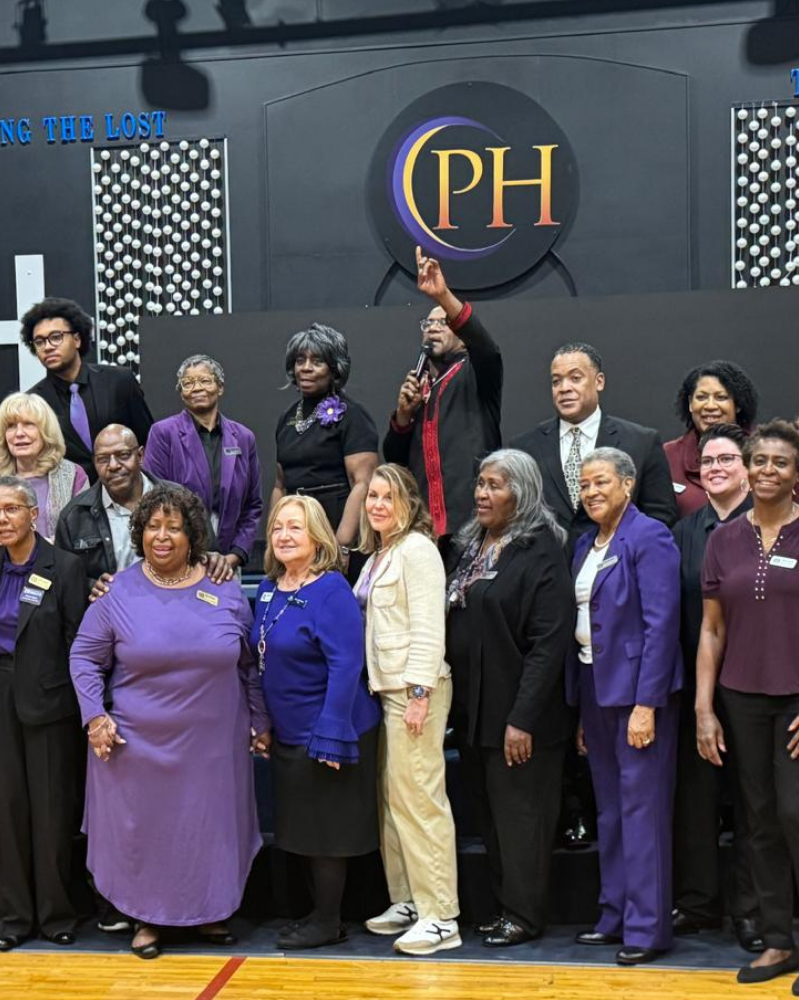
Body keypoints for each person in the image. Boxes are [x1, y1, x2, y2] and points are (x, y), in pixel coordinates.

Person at [69, 484, 270, 959]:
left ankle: (209, 911)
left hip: (213, 744)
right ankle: (147, 917)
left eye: (174, 527)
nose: (162, 536)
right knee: (149, 832)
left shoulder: (224, 587)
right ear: (140, 533)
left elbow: (249, 664)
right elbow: (84, 657)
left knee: (208, 829)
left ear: (192, 535)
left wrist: (260, 719)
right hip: (138, 745)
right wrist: (95, 717)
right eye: (153, 526)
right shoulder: (117, 591)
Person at [512, 342, 676, 850]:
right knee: (566, 714)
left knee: (632, 783)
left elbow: (661, 515)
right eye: (556, 379)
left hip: (622, 610)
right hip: (552, 605)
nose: (564, 387)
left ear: (598, 382)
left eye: (575, 377)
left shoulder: (641, 441)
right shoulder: (526, 447)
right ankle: (571, 811)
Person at [445, 450, 573, 947]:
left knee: (522, 822)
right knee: (493, 821)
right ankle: (504, 907)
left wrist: (523, 719)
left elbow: (549, 645)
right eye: (480, 483)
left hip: (521, 719)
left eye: (494, 485)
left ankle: (524, 914)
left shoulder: (540, 551)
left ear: (521, 494)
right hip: (477, 716)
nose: (481, 494)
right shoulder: (471, 545)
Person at [250, 495, 380, 950]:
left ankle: (328, 920)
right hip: (289, 733)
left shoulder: (331, 590)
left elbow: (346, 665)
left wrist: (331, 731)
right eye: (278, 527)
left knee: (327, 833)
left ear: (318, 537)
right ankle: (318, 915)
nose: (284, 536)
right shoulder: (270, 588)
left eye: (295, 528)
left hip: (329, 730)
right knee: (303, 829)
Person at [569, 447, 682, 966]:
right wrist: (580, 709)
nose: (591, 491)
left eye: (602, 482)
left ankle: (647, 927)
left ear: (628, 485)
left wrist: (646, 703)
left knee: (642, 811)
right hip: (595, 690)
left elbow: (661, 625)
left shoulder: (649, 536)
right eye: (584, 484)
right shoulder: (584, 545)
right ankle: (613, 914)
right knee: (610, 810)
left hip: (638, 694)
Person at [697, 419, 799, 986]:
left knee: (795, 813)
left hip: (796, 699)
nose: (767, 470)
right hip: (741, 696)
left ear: (796, 473)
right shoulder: (722, 540)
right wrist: (703, 709)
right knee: (757, 821)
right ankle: (779, 942)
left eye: (780, 462)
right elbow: (712, 630)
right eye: (759, 460)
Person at [355, 464, 460, 955]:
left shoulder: (418, 550)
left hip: (415, 691)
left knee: (420, 800)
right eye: (372, 496)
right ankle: (409, 901)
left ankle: (441, 916)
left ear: (409, 503)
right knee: (393, 799)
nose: (377, 505)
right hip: (387, 691)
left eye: (388, 497)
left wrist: (420, 694)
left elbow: (429, 627)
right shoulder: (380, 554)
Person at [671, 424, 761, 951]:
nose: (716, 468)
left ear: (747, 468)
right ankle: (699, 903)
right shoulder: (683, 532)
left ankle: (749, 911)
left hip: (756, 685)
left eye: (727, 459)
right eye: (707, 461)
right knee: (696, 801)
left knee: (753, 805)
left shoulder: (770, 526)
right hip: (695, 686)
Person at [0, 475, 87, 950]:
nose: (3, 519)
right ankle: (13, 917)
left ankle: (56, 914)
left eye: (11, 509)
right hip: (1, 697)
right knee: (7, 809)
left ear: (34, 515)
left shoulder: (65, 567)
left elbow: (78, 642)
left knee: (52, 811)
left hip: (49, 701)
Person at [383, 246, 502, 547]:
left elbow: (487, 348)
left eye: (444, 322)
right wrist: (403, 417)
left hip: (474, 527)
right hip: (424, 532)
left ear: (462, 334)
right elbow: (395, 461)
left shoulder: (476, 372)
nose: (434, 329)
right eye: (428, 324)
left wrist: (442, 296)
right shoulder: (419, 385)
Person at [143, 354, 264, 574]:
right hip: (178, 559)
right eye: (188, 383)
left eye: (205, 381)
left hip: (228, 562)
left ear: (220, 387)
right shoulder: (163, 434)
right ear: (181, 392)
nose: (197, 388)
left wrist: (235, 556)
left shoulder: (244, 438)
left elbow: (252, 506)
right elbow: (153, 500)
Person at [271, 323, 378, 566]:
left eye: (317, 361)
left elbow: (363, 484)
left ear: (335, 369)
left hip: (337, 527)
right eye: (300, 360)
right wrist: (275, 536)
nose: (306, 368)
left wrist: (341, 544)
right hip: (297, 531)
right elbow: (280, 485)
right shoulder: (287, 418)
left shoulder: (353, 415)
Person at [22, 297, 153, 482]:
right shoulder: (35, 401)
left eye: (56, 337)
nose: (48, 347)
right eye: (39, 341)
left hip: (128, 486)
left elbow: (148, 441)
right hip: (72, 495)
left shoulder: (119, 380)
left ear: (77, 339)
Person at [665, 360, 759, 518]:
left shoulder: (763, 453)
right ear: (690, 403)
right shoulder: (668, 455)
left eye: (721, 397)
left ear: (737, 404)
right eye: (701, 397)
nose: (710, 406)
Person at [0, 392, 88, 541]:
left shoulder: (73, 475)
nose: (19, 433)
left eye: (29, 424)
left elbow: (84, 533)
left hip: (61, 555)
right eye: (11, 426)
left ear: (46, 431)